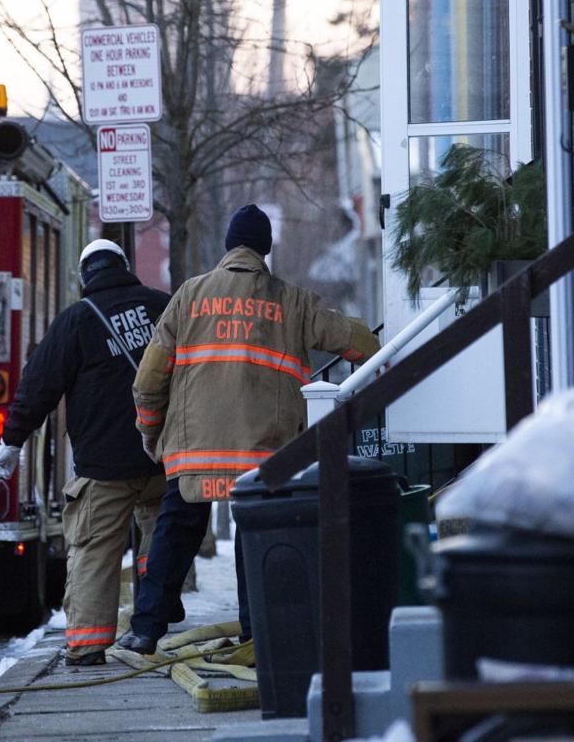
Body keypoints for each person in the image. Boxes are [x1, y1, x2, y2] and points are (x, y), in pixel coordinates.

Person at [117, 205, 380, 654]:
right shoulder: (293, 301)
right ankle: (255, 634)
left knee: (174, 535)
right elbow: (361, 345)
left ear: (228, 247)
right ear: (266, 249)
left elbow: (149, 380)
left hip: (194, 452)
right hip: (263, 456)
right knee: (255, 536)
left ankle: (145, 630)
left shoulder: (188, 296)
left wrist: (150, 431)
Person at [0, 238, 170, 666]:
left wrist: (12, 439)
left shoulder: (76, 320)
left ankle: (89, 645)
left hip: (103, 465)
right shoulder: (164, 306)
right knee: (162, 541)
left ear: (83, 277)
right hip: (164, 455)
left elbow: (39, 386)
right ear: (126, 266)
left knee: (94, 551)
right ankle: (153, 622)